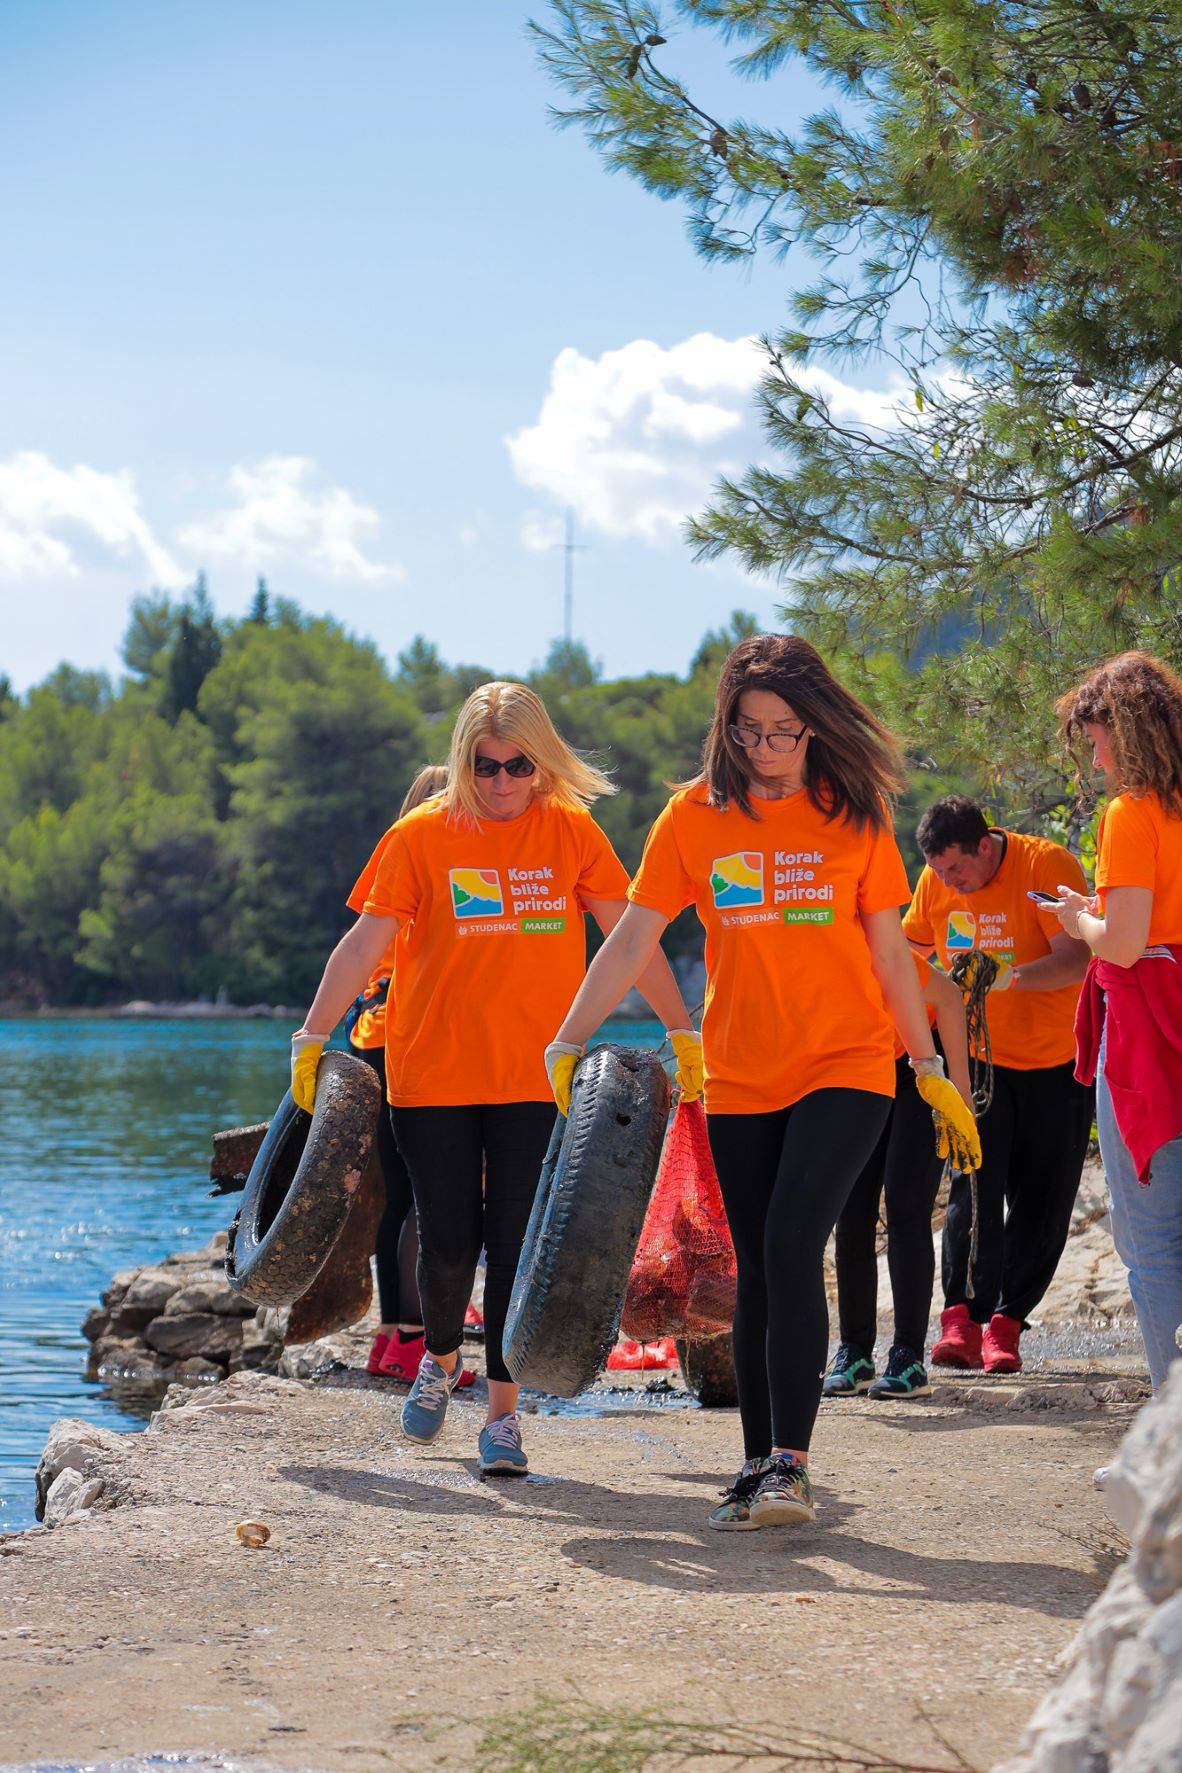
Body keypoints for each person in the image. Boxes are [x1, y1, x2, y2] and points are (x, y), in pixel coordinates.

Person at [545, 635, 979, 1532]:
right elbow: (634, 937)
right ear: (727, 730)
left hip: (847, 1063)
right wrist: (568, 1036)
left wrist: (929, 1065)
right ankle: (753, 1465)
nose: (769, 750)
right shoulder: (692, 817)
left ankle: (792, 1465)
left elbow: (892, 955)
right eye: (751, 733)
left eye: (785, 731)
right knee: (754, 1274)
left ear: (815, 727)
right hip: (739, 1070)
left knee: (789, 1245)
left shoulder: (856, 813)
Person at [290, 682, 698, 1475]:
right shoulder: (419, 838)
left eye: (520, 766)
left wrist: (682, 1027)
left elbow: (635, 938)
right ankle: (441, 1358)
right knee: (448, 1244)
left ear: (542, 763)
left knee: (516, 1243)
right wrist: (311, 1033)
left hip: (536, 1075)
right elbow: (364, 943)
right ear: (463, 760)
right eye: (486, 766)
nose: (503, 781)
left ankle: (503, 1419)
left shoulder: (571, 833)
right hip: (432, 1074)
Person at [904, 795, 1093, 1374]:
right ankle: (960, 1319)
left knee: (1044, 1198)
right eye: (938, 872)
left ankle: (1007, 1324)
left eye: (957, 869)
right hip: (977, 1062)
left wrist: (1005, 976)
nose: (949, 883)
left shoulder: (1045, 866)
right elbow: (909, 956)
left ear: (985, 846)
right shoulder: (935, 884)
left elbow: (1078, 957)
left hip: (1059, 1062)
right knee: (972, 1188)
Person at [1053, 651, 1182, 1395]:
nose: (1095, 757)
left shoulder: (1131, 813)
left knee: (1156, 1245)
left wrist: (1081, 920)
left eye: (1096, 738)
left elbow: (1126, 944)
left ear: (1125, 732)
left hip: (1149, 1040)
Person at [345, 763, 472, 1387]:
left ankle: (392, 1337)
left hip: (370, 1039)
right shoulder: (435, 864)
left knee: (397, 1199)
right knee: (429, 1198)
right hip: (408, 1042)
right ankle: (419, 1344)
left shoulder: (391, 863)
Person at [825, 951, 973, 1400]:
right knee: (850, 1212)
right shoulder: (801, 962)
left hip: (919, 1065)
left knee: (907, 1207)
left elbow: (948, 998)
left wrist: (960, 1098)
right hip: (856, 1072)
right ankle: (855, 1353)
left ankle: (909, 1358)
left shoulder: (872, 949)